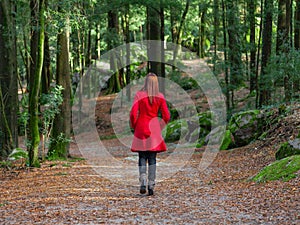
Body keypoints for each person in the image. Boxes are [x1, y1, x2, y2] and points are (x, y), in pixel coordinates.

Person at [130, 73, 170, 196]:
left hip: (141, 128)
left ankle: (143, 178)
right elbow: (166, 116)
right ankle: (151, 183)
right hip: (154, 129)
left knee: (142, 156)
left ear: (146, 82)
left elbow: (132, 114)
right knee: (152, 158)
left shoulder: (139, 95)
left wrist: (135, 125)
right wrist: (160, 127)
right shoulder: (160, 96)